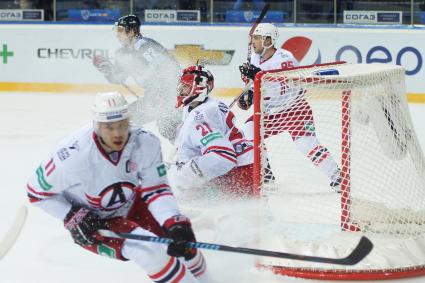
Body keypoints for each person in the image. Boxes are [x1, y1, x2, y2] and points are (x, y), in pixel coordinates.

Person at [26, 92, 209, 283]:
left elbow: (155, 189)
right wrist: (72, 215)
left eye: (122, 125)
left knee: (187, 247)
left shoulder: (145, 142)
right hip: (96, 221)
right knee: (150, 253)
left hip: (131, 202)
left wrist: (174, 222)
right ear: (97, 125)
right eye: (109, 127)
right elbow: (35, 192)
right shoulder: (72, 156)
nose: (117, 133)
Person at [237, 23, 342, 190]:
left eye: (257, 38)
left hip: (295, 109)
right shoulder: (256, 58)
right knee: (248, 132)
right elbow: (255, 87)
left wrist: (257, 76)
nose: (253, 42)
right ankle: (266, 175)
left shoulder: (285, 58)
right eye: (252, 38)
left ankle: (337, 177)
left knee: (306, 144)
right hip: (271, 112)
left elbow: (282, 89)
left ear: (268, 40)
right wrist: (248, 94)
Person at [167, 65, 254, 196]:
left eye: (185, 87)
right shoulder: (205, 105)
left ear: (199, 88)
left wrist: (185, 175)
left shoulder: (201, 116)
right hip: (245, 164)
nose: (180, 91)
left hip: (239, 172)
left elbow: (223, 156)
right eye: (181, 86)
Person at [92, 14, 181, 141]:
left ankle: (186, 150)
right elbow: (118, 78)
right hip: (154, 96)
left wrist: (161, 91)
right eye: (117, 30)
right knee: (127, 119)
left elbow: (168, 68)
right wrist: (106, 68)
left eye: (121, 30)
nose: (117, 34)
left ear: (132, 31)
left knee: (166, 126)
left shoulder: (144, 46)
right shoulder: (123, 53)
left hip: (169, 95)